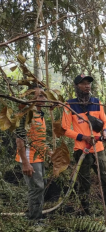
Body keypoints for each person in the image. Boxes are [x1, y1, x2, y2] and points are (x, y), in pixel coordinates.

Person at [61, 74, 106, 216]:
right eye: (83, 83)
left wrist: (105, 131)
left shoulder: (96, 102)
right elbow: (64, 129)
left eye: (89, 83)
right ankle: (87, 213)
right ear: (77, 86)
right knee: (85, 183)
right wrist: (83, 137)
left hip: (98, 149)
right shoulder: (70, 105)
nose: (87, 86)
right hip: (82, 150)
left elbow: (105, 121)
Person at [15, 85, 49, 221]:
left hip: (39, 157)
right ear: (30, 98)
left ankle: (36, 215)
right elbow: (19, 140)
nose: (43, 98)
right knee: (36, 188)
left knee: (40, 187)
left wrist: (49, 152)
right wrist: (25, 163)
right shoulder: (26, 114)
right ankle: (34, 220)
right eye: (39, 95)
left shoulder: (40, 114)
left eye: (44, 95)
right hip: (30, 158)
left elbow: (39, 138)